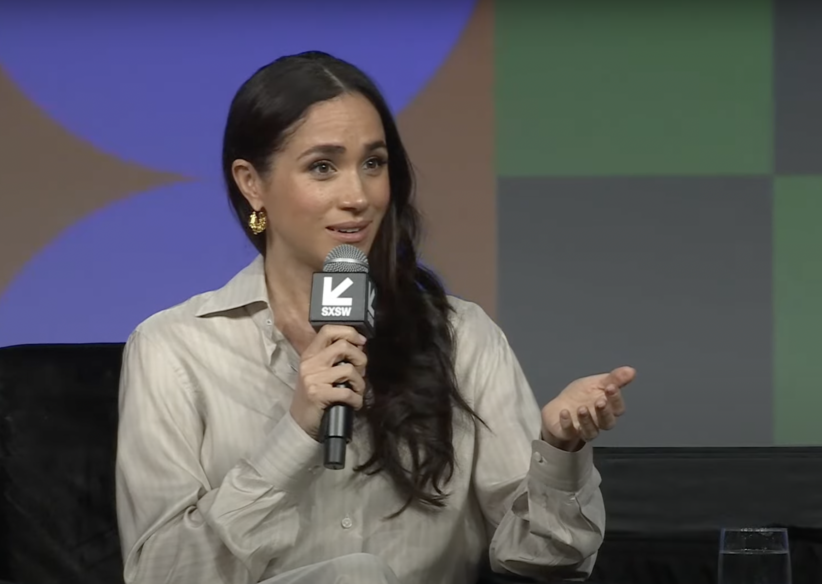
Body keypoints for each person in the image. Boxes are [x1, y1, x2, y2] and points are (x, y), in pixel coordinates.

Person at [116, 51, 636, 584]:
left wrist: (559, 451)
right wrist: (295, 433)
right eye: (323, 167)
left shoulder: (461, 337)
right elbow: (160, 573)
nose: (358, 196)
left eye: (373, 163)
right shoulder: (172, 349)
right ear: (253, 183)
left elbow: (547, 561)